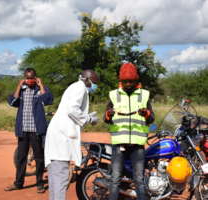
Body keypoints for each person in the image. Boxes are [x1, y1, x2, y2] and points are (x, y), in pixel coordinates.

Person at [44, 69, 99, 200]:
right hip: (61, 137)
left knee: (56, 178)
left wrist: (86, 116)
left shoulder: (75, 87)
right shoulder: (79, 88)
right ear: (87, 79)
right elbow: (72, 109)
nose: (95, 86)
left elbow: (72, 109)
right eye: (94, 82)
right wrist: (89, 119)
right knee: (60, 177)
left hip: (59, 135)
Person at [104, 62, 154, 200]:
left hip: (137, 145)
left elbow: (151, 118)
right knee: (115, 179)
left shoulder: (144, 95)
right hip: (119, 143)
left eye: (130, 81)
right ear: (121, 80)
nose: (128, 84)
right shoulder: (114, 95)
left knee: (139, 180)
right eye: (125, 81)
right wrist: (108, 114)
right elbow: (106, 118)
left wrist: (147, 114)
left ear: (136, 80)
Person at [5, 68, 53, 193]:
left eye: (32, 78)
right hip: (23, 129)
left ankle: (39, 183)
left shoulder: (40, 90)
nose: (29, 80)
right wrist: (19, 86)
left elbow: (48, 100)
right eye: (27, 78)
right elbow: (12, 102)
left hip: (36, 130)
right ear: (24, 78)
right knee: (21, 158)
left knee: (39, 158)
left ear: (36, 78)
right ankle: (18, 183)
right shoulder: (22, 90)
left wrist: (41, 85)